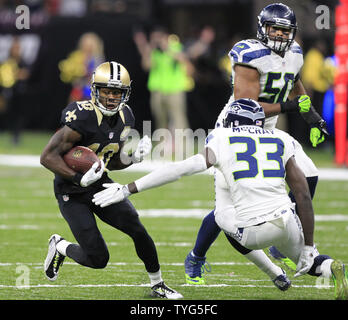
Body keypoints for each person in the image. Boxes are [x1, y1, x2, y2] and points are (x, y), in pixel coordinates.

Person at [92, 99, 348, 300]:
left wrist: (128, 189)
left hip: (253, 231)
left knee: (221, 215)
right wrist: (308, 246)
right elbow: (303, 194)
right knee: (311, 263)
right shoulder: (281, 138)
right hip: (287, 220)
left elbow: (180, 169)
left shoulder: (223, 138)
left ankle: (274, 272)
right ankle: (330, 267)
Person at [175, 2, 329, 285]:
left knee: (310, 175)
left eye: (286, 31)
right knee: (231, 205)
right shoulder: (250, 55)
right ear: (262, 29)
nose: (281, 36)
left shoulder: (295, 53)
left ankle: (280, 240)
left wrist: (313, 118)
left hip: (268, 130)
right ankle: (196, 256)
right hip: (236, 129)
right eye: (275, 30)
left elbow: (293, 83)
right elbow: (249, 106)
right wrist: (291, 107)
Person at [40, 61, 183, 300]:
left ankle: (158, 285)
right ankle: (61, 246)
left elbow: (111, 159)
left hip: (99, 184)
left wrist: (133, 159)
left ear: (125, 94)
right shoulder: (81, 116)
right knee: (98, 259)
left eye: (116, 92)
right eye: (106, 90)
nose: (110, 97)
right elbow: (47, 156)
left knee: (138, 229)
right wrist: (78, 179)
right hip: (71, 191)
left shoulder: (126, 117)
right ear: (95, 90)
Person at [133, 26, 193, 133]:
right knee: (160, 118)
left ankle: (182, 143)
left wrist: (167, 48)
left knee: (178, 117)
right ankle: (162, 142)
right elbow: (146, 66)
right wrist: (147, 48)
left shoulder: (175, 46)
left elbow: (184, 60)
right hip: (158, 89)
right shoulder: (154, 52)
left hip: (175, 88)